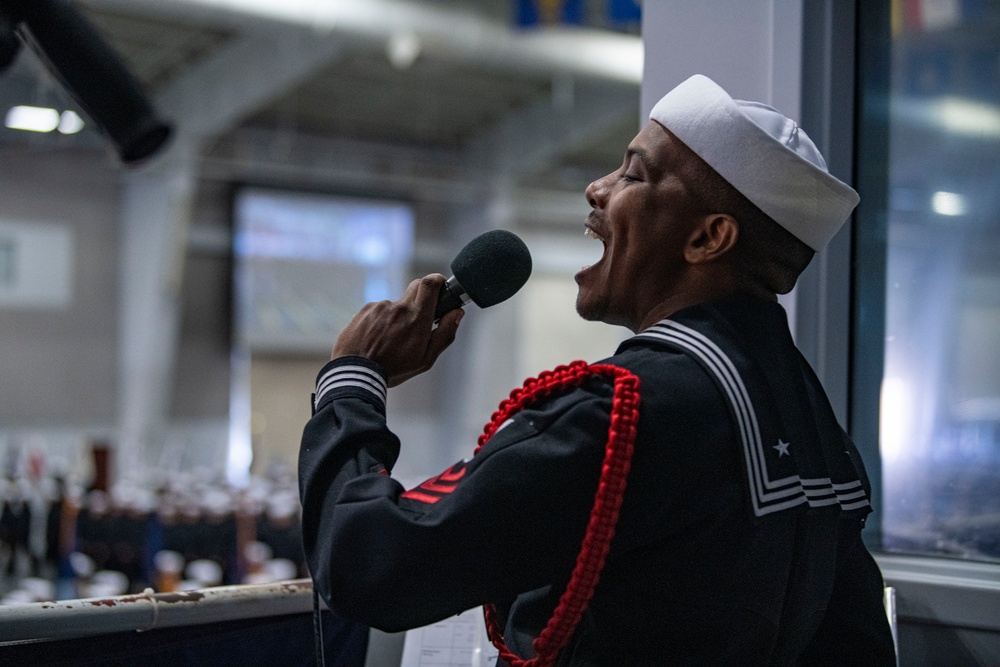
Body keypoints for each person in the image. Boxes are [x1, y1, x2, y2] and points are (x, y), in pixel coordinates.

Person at [298, 74, 897, 666]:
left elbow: (371, 562)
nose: (597, 188)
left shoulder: (625, 415)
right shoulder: (814, 427)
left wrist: (353, 380)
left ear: (709, 238)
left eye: (633, 174)